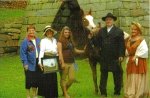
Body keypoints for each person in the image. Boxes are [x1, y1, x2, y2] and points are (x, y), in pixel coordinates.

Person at [94, 13, 125, 97]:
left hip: (115, 57)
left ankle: (117, 92)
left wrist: (121, 55)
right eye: (107, 20)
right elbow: (97, 43)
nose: (108, 21)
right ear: (105, 21)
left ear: (113, 20)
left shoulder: (119, 31)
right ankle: (103, 93)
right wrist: (91, 36)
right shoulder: (101, 31)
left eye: (110, 19)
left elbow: (121, 44)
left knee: (117, 76)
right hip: (104, 57)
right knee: (103, 75)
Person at [57, 26, 84, 98]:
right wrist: (62, 63)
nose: (67, 34)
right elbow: (60, 53)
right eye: (65, 32)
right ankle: (65, 94)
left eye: (68, 32)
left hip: (72, 62)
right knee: (63, 78)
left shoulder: (70, 41)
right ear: (63, 33)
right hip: (64, 62)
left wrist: (84, 51)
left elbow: (75, 50)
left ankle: (64, 90)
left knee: (72, 79)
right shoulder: (60, 41)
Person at [124, 22, 149, 98]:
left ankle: (138, 92)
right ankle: (131, 92)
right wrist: (127, 54)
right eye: (132, 29)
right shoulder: (129, 39)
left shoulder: (141, 40)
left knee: (137, 76)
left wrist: (137, 55)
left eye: (135, 29)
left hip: (139, 61)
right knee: (131, 76)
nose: (133, 31)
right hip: (131, 60)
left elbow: (145, 50)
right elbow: (127, 50)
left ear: (138, 30)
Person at [20, 25, 40, 98]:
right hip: (29, 63)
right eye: (30, 30)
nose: (31, 32)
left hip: (38, 62)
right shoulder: (25, 42)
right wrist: (25, 63)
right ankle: (28, 95)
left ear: (35, 31)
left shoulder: (38, 40)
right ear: (27, 32)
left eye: (33, 30)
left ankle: (34, 94)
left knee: (36, 79)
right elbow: (23, 53)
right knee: (29, 79)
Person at [38, 25, 58, 98]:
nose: (49, 33)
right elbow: (42, 51)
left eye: (50, 31)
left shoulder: (55, 40)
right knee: (47, 78)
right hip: (46, 58)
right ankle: (47, 95)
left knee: (53, 77)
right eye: (48, 32)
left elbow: (56, 51)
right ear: (45, 33)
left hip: (54, 59)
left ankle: (53, 95)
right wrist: (40, 62)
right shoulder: (43, 41)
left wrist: (58, 58)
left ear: (52, 32)